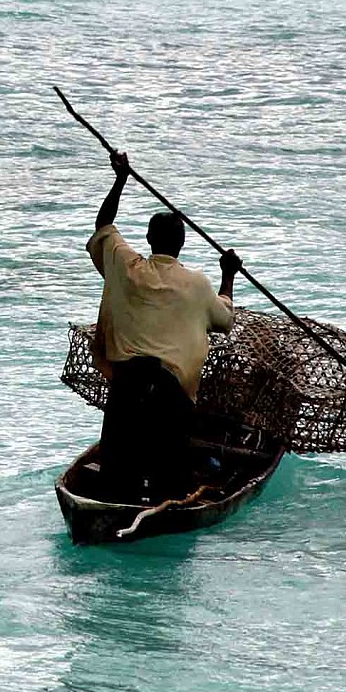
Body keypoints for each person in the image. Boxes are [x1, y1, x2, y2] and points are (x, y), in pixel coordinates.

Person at [87, 149, 240, 502]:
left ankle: (114, 511)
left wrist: (120, 179)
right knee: (168, 487)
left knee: (115, 483)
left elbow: (104, 227)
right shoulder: (197, 285)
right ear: (181, 245)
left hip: (127, 387)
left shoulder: (128, 267)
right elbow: (225, 318)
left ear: (148, 239)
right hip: (171, 394)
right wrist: (228, 275)